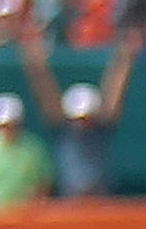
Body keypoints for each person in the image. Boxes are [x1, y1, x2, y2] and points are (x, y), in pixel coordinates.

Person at [20, 27, 139, 200]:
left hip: (102, 200)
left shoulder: (102, 130)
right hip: (70, 201)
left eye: (87, 117)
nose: (82, 122)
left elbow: (115, 94)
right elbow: (46, 94)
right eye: (78, 117)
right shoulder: (63, 131)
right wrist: (35, 64)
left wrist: (125, 60)